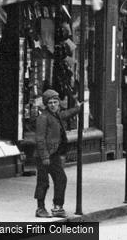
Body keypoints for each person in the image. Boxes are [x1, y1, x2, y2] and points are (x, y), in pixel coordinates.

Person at [34, 89, 81, 218]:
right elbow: (40, 139)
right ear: (46, 104)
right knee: (43, 181)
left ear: (59, 103)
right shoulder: (43, 117)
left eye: (55, 102)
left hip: (53, 153)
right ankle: (40, 208)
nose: (53, 105)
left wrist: (78, 108)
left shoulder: (56, 115)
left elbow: (65, 114)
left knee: (61, 179)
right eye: (50, 103)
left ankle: (58, 207)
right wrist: (44, 157)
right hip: (44, 155)